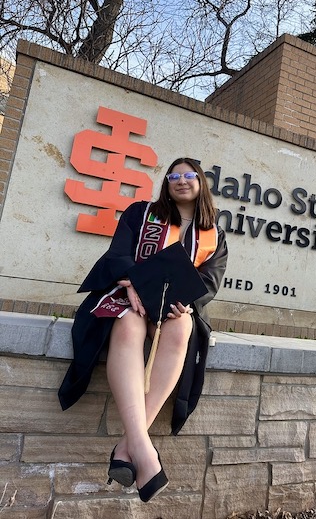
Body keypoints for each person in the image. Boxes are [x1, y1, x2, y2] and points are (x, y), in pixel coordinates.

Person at [58, 157, 228, 502]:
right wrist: (133, 284)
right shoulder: (142, 213)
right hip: (128, 297)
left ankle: (127, 447)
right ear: (166, 183)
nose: (181, 180)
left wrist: (184, 302)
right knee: (128, 323)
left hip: (172, 306)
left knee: (182, 327)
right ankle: (145, 454)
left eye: (189, 175)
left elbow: (209, 282)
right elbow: (118, 253)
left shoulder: (213, 234)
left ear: (201, 183)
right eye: (173, 176)